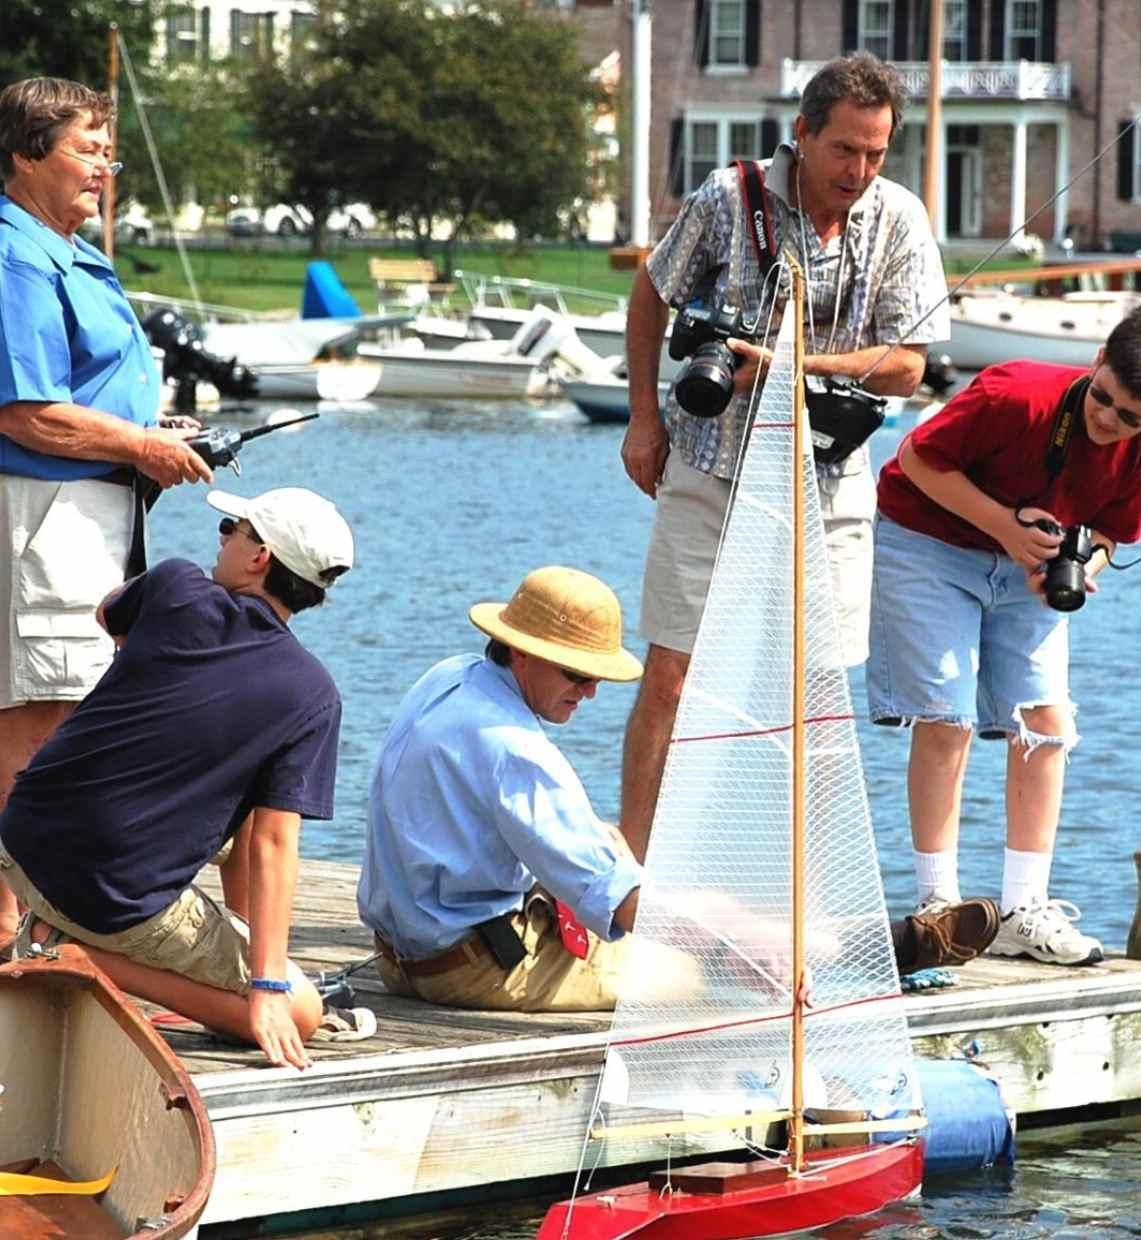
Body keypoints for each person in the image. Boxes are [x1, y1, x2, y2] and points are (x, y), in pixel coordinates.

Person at [357, 566, 1000, 1013]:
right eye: (577, 674)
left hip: (407, 948)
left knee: (656, 877)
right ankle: (869, 947)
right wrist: (740, 951)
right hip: (464, 970)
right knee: (694, 966)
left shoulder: (452, 678)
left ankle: (858, 941)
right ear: (519, 652)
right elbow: (624, 901)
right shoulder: (515, 749)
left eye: (598, 678)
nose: (589, 692)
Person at [619, 52, 949, 862]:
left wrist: (788, 368)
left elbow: (909, 364)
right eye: (844, 150)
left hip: (827, 478)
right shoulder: (727, 198)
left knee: (817, 688)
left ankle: (790, 875)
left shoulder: (899, 217)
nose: (860, 171)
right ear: (801, 134)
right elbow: (650, 295)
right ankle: (632, 874)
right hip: (709, 460)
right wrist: (640, 420)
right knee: (671, 672)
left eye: (876, 153)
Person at [0, 487, 354, 1068]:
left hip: (21, 843)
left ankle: (64, 936)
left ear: (259, 556)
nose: (220, 538)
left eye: (231, 529)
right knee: (303, 1012)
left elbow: (108, 612)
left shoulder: (175, 585)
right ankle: (77, 954)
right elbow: (271, 843)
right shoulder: (312, 694)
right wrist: (267, 990)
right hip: (109, 903)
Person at [0, 77, 212, 947]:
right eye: (88, 151)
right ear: (24, 154)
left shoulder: (65, 249)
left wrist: (147, 432)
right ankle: (16, 921)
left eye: (107, 154)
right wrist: (139, 446)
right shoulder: (16, 255)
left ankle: (36, 919)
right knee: (38, 717)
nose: (103, 171)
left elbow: (70, 396)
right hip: (47, 511)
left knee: (72, 707)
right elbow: (24, 412)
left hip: (88, 511)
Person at [868, 307, 1141, 967]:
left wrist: (1073, 571)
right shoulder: (1013, 392)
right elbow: (915, 459)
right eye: (1101, 397)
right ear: (1096, 357)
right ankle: (938, 909)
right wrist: (1004, 527)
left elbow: (1106, 532)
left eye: (1129, 417)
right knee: (945, 716)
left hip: (1027, 568)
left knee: (1046, 721)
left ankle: (1024, 909)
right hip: (928, 541)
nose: (1107, 420)